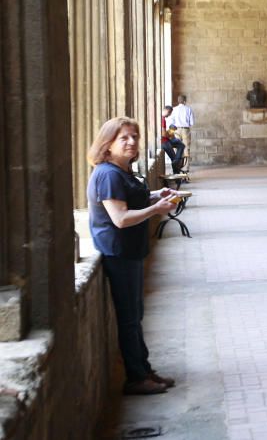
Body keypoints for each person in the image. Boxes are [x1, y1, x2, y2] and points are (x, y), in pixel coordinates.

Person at [87, 117, 180, 395]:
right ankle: (136, 378)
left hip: (131, 252)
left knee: (135, 314)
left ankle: (144, 369)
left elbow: (129, 199)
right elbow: (120, 218)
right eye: (123, 138)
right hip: (120, 253)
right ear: (108, 143)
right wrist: (156, 209)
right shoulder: (107, 174)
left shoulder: (121, 171)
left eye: (134, 137)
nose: (131, 142)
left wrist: (154, 196)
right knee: (129, 318)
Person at [166, 94, 194, 171]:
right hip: (185, 130)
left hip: (176, 130)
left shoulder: (174, 109)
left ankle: (177, 167)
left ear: (178, 101)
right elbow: (191, 123)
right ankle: (186, 168)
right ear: (185, 101)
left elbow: (171, 121)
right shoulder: (188, 109)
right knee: (186, 149)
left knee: (176, 149)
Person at [160, 105, 185, 175]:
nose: (169, 115)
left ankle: (177, 161)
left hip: (165, 140)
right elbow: (164, 134)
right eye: (169, 113)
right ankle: (176, 174)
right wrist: (170, 133)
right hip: (164, 142)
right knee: (174, 159)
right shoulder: (162, 119)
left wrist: (170, 132)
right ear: (167, 111)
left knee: (181, 145)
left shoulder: (162, 118)